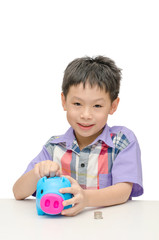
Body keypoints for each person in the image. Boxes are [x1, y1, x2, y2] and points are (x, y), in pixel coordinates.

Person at [13, 56, 143, 216]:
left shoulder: (122, 141)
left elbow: (123, 191)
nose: (86, 115)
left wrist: (86, 199)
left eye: (97, 106)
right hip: (62, 228)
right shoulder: (54, 147)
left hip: (108, 227)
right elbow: (18, 192)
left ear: (113, 106)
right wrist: (36, 173)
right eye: (77, 104)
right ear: (64, 101)